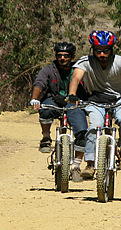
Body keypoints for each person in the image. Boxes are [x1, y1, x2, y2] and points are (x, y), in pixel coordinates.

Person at [67, 30, 121, 179]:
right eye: (98, 51)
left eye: (106, 51)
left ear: (112, 50)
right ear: (93, 50)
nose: (102, 55)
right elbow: (75, 78)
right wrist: (72, 94)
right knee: (94, 127)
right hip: (96, 100)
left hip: (120, 99)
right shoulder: (85, 62)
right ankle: (91, 163)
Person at [30, 42, 89, 182]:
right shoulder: (49, 69)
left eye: (66, 56)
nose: (62, 58)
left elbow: (89, 87)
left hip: (74, 103)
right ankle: (45, 138)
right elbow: (39, 83)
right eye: (59, 55)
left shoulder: (79, 70)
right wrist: (34, 99)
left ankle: (76, 166)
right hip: (53, 100)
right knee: (44, 110)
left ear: (72, 56)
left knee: (81, 130)